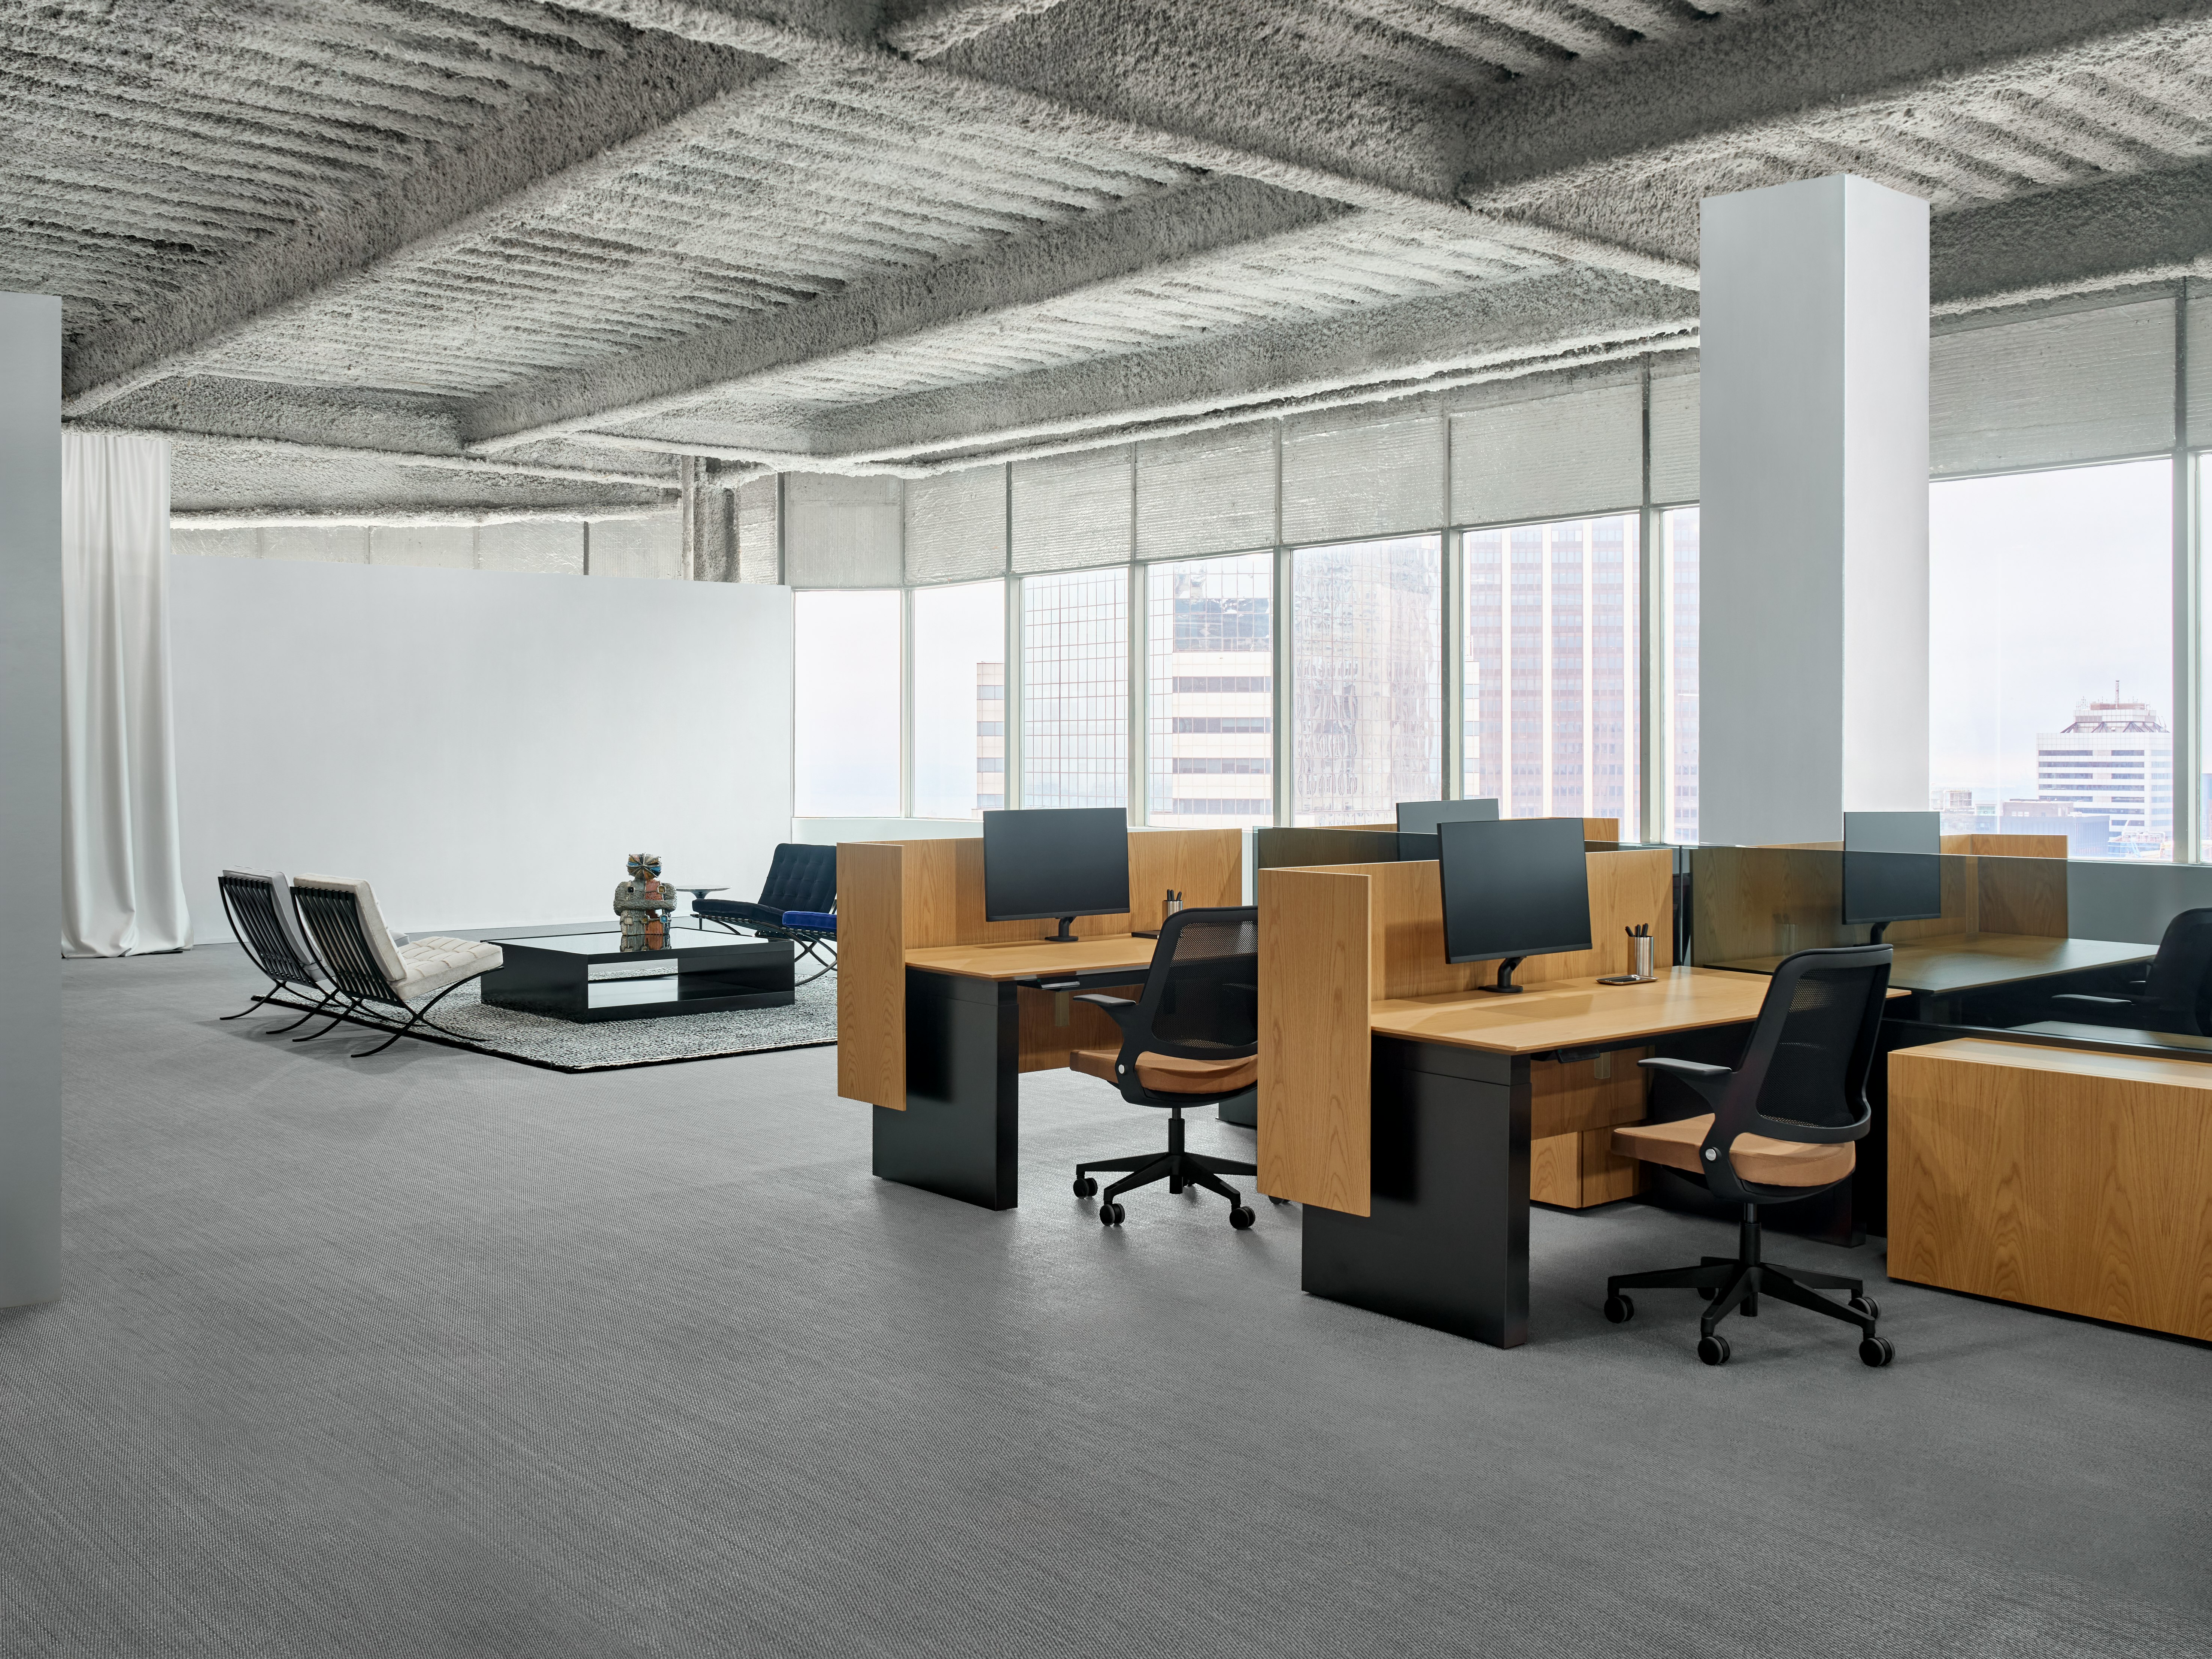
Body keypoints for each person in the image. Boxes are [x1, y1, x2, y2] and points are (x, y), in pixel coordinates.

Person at [613, 853, 675, 953]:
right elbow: (618, 906)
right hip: (632, 927)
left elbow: (672, 905)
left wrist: (635, 904)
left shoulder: (667, 887)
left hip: (659, 928)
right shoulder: (625, 886)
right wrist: (655, 903)